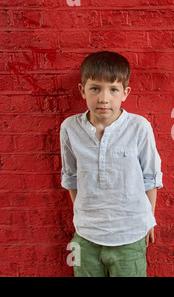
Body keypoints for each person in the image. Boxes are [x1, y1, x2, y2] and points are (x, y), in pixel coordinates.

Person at [60, 51, 163, 277]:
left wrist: (148, 220)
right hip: (86, 237)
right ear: (82, 90)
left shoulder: (139, 127)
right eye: (95, 88)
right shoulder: (69, 128)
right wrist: (84, 213)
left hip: (129, 235)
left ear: (125, 93)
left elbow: (151, 177)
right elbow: (70, 177)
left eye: (113, 90)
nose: (104, 98)